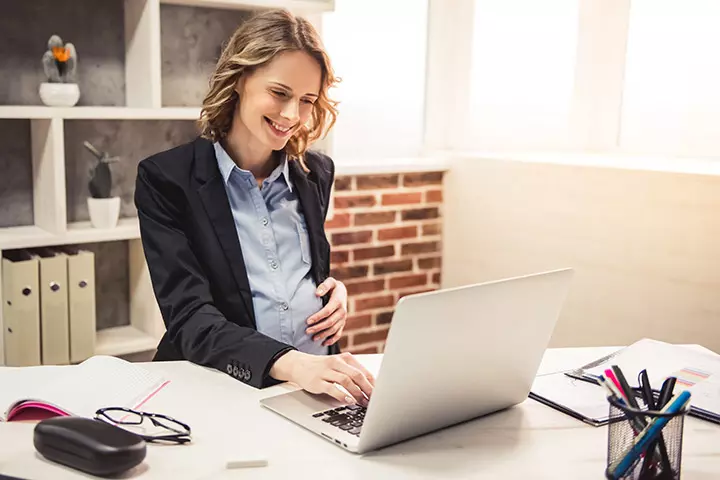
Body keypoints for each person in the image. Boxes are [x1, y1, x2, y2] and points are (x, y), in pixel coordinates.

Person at [134, 9, 374, 406]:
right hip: (229, 387)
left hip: (317, 390)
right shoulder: (166, 179)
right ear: (239, 79)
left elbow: (293, 272)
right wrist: (292, 364)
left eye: (307, 100)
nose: (291, 116)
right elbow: (190, 318)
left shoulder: (316, 173)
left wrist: (331, 293)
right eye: (279, 93)